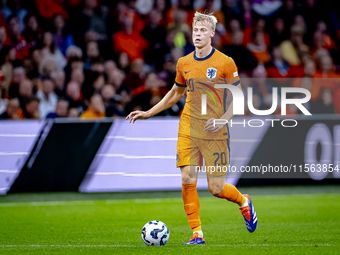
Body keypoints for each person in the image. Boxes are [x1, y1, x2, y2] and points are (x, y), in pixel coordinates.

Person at [126, 12, 258, 245]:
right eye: (195, 30)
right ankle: (197, 233)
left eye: (202, 31)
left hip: (215, 130)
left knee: (216, 188)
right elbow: (176, 92)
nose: (197, 34)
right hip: (188, 126)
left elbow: (238, 98)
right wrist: (149, 112)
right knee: (188, 177)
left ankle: (244, 201)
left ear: (212, 34)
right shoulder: (183, 63)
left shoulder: (225, 62)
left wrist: (222, 119)